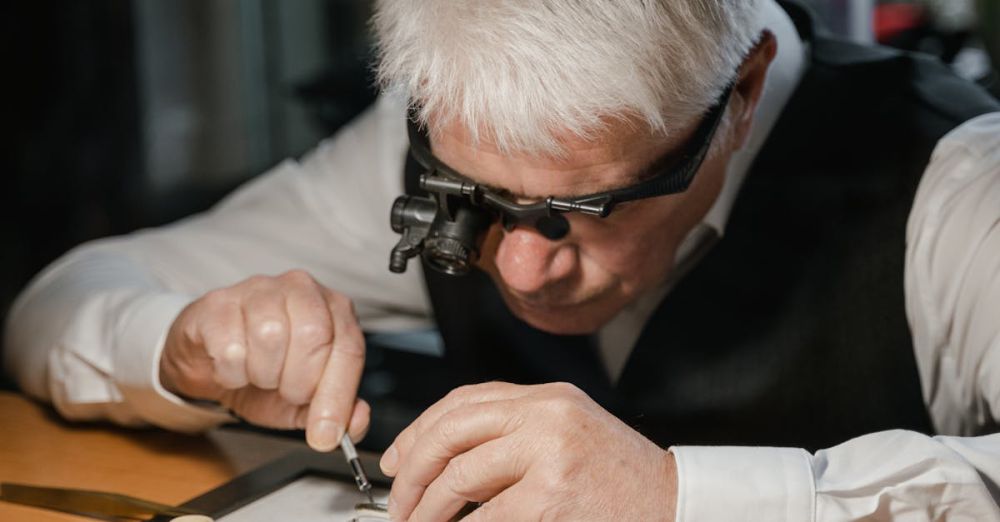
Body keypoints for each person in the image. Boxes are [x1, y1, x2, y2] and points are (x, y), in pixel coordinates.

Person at [5, 0, 1000, 520]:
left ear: (740, 94)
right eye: (475, 196)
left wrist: (677, 503)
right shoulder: (450, 126)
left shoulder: (957, 193)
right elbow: (59, 303)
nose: (522, 269)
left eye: (597, 203)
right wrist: (184, 348)